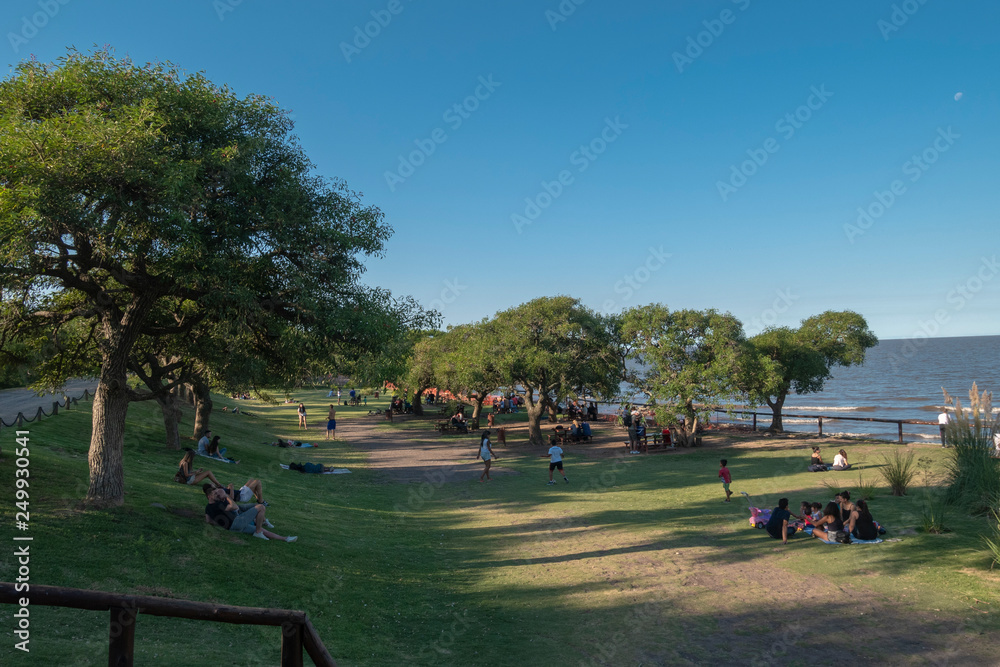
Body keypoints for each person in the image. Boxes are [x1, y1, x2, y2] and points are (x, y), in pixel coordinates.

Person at [203, 486, 295, 542]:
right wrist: (226, 496)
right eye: (214, 494)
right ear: (209, 496)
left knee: (263, 530)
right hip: (237, 522)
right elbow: (234, 506)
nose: (217, 495)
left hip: (232, 527)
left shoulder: (208, 507)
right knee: (261, 507)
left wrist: (221, 524)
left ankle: (284, 538)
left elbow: (208, 520)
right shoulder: (217, 505)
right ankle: (259, 532)